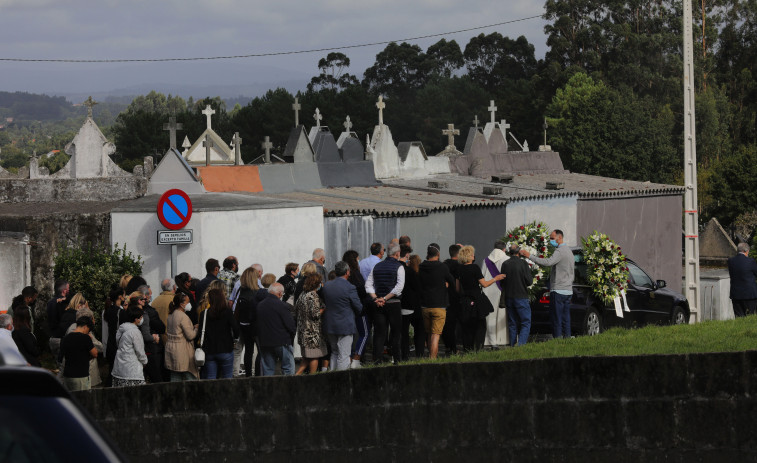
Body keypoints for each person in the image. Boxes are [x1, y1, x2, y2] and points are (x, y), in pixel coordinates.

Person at [521, 229, 575, 338]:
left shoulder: (560, 251)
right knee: (566, 318)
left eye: (552, 238)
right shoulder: (569, 251)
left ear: (559, 238)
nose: (551, 241)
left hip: (559, 289)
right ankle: (567, 338)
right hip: (568, 290)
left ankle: (558, 340)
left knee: (557, 318)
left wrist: (529, 256)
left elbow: (548, 262)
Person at [457, 245, 504, 352]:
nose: (474, 255)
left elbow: (457, 287)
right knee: (480, 325)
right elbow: (484, 284)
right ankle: (478, 348)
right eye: (472, 254)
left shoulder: (459, 269)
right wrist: (496, 278)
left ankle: (467, 349)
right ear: (469, 256)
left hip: (465, 300)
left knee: (467, 327)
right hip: (477, 299)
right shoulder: (474, 268)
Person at [366, 243, 404, 364]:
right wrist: (385, 298)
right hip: (393, 303)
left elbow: (368, 285)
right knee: (396, 332)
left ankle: (377, 360)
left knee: (379, 334)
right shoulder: (399, 267)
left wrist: (376, 298)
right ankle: (397, 360)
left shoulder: (377, 266)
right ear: (397, 253)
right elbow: (399, 287)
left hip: (378, 304)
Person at [323, 261, 363, 370]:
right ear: (347, 272)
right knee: (344, 355)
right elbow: (358, 306)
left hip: (330, 323)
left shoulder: (326, 285)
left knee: (335, 352)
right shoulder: (350, 287)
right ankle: (341, 380)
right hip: (345, 324)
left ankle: (332, 377)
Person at [419, 243, 456, 359]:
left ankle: (430, 355)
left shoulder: (421, 266)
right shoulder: (442, 267)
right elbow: (452, 282)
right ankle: (433, 359)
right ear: (438, 254)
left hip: (425, 305)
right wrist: (446, 284)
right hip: (439, 305)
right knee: (436, 334)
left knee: (429, 333)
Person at [197, 288, 239, 379]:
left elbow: (200, 332)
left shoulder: (204, 314)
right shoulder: (227, 312)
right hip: (226, 348)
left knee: (210, 377)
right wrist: (235, 339)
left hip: (210, 350)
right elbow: (236, 328)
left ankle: (212, 393)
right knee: (227, 377)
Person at [257, 283, 296, 376]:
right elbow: (291, 326)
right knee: (288, 369)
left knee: (268, 370)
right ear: (279, 294)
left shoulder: (260, 305)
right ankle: (288, 389)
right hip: (282, 341)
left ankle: (267, 390)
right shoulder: (282, 305)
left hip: (265, 342)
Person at [294, 274, 327, 375]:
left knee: (306, 357)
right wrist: (324, 309)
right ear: (316, 283)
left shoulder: (302, 294)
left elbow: (296, 309)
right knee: (314, 357)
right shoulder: (313, 295)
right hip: (312, 333)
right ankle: (313, 377)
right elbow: (315, 314)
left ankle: (296, 375)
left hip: (303, 330)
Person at [500, 245, 533, 346]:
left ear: (509, 252)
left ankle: (512, 344)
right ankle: (521, 345)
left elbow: (502, 282)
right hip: (521, 296)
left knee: (512, 323)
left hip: (509, 296)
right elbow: (529, 281)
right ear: (519, 252)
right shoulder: (523, 263)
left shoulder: (505, 264)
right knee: (525, 321)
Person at [234, 267, 263, 377]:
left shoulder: (241, 290)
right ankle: (257, 374)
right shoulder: (257, 293)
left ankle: (248, 375)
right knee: (260, 352)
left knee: (248, 351)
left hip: (243, 324)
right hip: (254, 326)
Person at [164, 293, 199, 381]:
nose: (189, 304)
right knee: (189, 376)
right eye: (188, 302)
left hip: (171, 348)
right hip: (182, 350)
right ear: (181, 304)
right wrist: (196, 329)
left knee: (175, 377)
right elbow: (190, 336)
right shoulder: (183, 316)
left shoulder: (171, 315)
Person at [343, 250, 369, 368]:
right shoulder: (356, 274)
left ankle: (349, 359)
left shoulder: (345, 276)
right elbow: (362, 290)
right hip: (359, 308)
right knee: (364, 333)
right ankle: (356, 359)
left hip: (348, 309)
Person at [111, 306, 148, 387]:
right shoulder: (135, 332)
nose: (142, 319)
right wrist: (145, 361)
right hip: (132, 371)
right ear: (136, 319)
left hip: (119, 368)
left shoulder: (121, 329)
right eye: (141, 317)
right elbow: (140, 351)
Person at [482, 240, 509, 348]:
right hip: (501, 290)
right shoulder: (507, 259)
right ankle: (502, 339)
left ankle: (490, 341)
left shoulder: (486, 260)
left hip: (488, 289)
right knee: (502, 315)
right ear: (504, 249)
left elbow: (482, 275)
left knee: (490, 316)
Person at [59, 316, 97, 391]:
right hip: (81, 376)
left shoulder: (65, 338)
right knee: (83, 400)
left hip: (68, 375)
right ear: (85, 327)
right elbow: (95, 353)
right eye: (88, 330)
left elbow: (60, 357)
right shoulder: (86, 338)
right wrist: (91, 340)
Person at [138, 285, 166, 383]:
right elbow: (161, 328)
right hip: (152, 348)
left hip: (140, 348)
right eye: (149, 294)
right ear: (144, 296)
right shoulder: (149, 312)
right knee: (157, 378)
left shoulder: (132, 310)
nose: (150, 296)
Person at [401, 252, 425, 360]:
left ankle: (405, 354)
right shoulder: (419, 274)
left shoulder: (405, 272)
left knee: (404, 331)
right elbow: (420, 290)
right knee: (419, 330)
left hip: (405, 304)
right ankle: (419, 353)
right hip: (417, 305)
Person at [727, 242, 757, 317]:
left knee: (739, 316)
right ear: (746, 251)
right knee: (750, 316)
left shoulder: (731, 261)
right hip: (749, 294)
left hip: (736, 294)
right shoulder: (751, 261)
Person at [104, 287, 126, 381]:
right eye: (124, 295)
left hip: (110, 343)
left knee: (111, 371)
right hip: (119, 345)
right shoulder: (120, 312)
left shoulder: (108, 311)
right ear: (120, 297)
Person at [443, 244, 462, 354]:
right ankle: (454, 348)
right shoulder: (458, 266)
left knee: (446, 324)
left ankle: (448, 346)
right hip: (455, 298)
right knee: (454, 325)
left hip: (445, 296)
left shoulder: (444, 264)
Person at [46, 279, 69, 361]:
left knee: (58, 364)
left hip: (53, 337)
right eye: (68, 289)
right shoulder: (65, 303)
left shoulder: (50, 302)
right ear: (64, 291)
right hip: (62, 338)